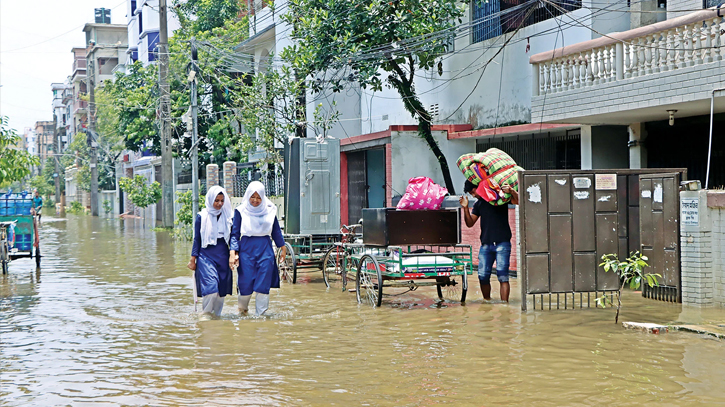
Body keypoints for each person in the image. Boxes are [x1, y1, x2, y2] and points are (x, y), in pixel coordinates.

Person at [230, 181, 286, 317]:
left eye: (259, 197)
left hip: (265, 248)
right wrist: (233, 252)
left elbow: (276, 231)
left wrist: (282, 247)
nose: (255, 200)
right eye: (252, 197)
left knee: (263, 281)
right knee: (246, 280)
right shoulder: (240, 211)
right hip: (246, 249)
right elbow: (235, 234)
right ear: (248, 196)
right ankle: (242, 309)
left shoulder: (270, 209)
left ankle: (261, 314)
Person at [459, 180, 518, 302]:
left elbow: (518, 201)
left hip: (502, 243)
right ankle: (487, 302)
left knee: (503, 276)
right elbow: (470, 223)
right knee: (482, 276)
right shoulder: (479, 204)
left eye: (473, 191)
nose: (473, 195)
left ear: (479, 187)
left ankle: (504, 305)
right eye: (471, 193)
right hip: (486, 244)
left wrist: (512, 191)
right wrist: (465, 208)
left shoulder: (498, 198)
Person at [188, 186, 234, 317]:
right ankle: (206, 314)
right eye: (216, 200)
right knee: (211, 287)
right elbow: (197, 239)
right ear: (210, 200)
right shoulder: (201, 217)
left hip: (223, 254)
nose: (219, 204)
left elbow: (232, 238)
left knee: (221, 290)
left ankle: (217, 315)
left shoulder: (228, 216)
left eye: (222, 200)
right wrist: (192, 259)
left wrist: (234, 255)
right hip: (206, 255)